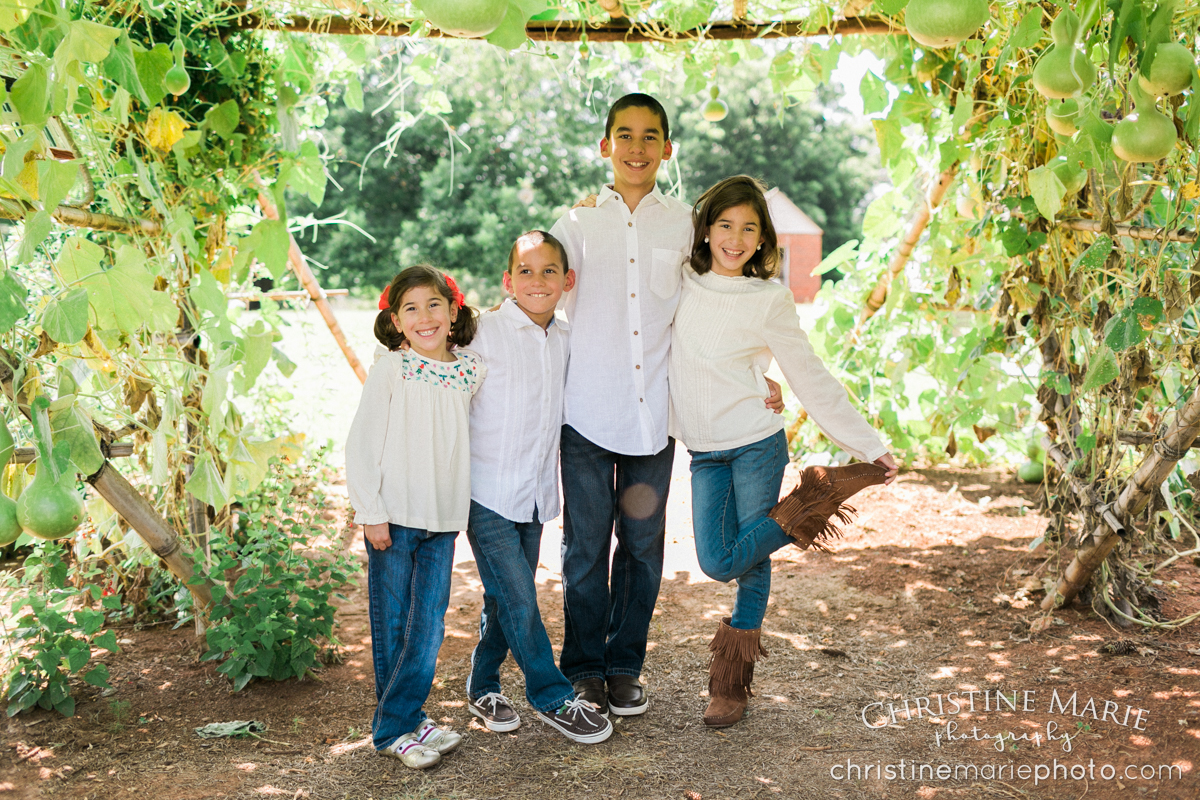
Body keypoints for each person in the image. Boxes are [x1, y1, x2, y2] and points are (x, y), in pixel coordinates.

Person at [549, 93, 783, 717]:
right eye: (623, 135)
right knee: (583, 549)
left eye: (650, 136)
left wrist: (756, 371)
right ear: (605, 146)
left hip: (656, 416)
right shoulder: (575, 226)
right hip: (586, 416)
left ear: (667, 149)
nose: (636, 147)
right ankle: (583, 669)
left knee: (643, 550)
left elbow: (720, 301)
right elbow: (537, 293)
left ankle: (625, 665)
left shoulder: (684, 225)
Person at [670, 176, 898, 728]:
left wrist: (868, 445)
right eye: (725, 225)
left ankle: (730, 685)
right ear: (705, 230)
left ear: (763, 238)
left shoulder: (768, 297)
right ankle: (815, 500)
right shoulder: (680, 278)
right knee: (717, 560)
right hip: (704, 450)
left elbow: (810, 375)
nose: (735, 237)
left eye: (749, 228)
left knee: (749, 564)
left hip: (755, 444)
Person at [463, 231, 612, 744]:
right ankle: (552, 696)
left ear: (567, 281)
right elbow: (429, 359)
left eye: (550, 270)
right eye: (525, 270)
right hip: (484, 491)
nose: (538, 280)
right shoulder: (481, 331)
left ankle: (482, 685)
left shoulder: (569, 339)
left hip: (533, 495)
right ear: (508, 281)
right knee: (522, 597)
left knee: (503, 598)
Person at [345, 266, 484, 769]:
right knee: (393, 625)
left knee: (427, 626)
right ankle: (393, 730)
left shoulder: (470, 369)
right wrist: (370, 511)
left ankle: (405, 717)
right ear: (396, 321)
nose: (424, 317)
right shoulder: (393, 367)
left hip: (444, 518)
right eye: (411, 308)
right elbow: (361, 442)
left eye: (434, 305)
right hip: (395, 516)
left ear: (453, 312)